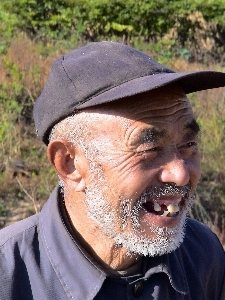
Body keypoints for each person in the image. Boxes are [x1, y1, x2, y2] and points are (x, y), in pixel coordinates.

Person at [0, 41, 225, 300]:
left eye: (188, 144)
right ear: (70, 163)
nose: (181, 173)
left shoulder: (202, 255)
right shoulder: (9, 276)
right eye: (149, 148)